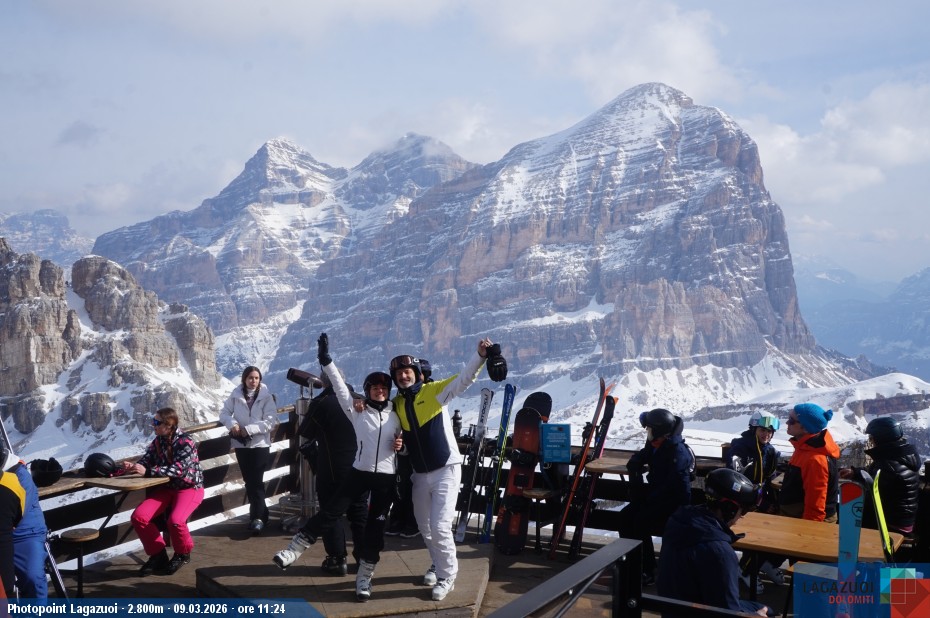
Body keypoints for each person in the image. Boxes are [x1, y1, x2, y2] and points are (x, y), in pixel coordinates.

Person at [274, 333, 403, 602]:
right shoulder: (356, 407)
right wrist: (326, 359)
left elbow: (305, 434)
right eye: (374, 387)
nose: (379, 391)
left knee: (357, 524)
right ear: (366, 389)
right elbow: (342, 391)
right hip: (357, 472)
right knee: (344, 515)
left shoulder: (395, 412)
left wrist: (403, 444)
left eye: (384, 387)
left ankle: (347, 566)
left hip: (357, 474)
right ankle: (296, 550)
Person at [390, 339, 492, 602]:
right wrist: (401, 447)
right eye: (399, 374)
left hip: (446, 468)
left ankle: (448, 577)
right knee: (424, 526)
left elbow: (463, 380)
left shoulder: (434, 392)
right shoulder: (397, 404)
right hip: (419, 474)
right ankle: (438, 563)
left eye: (407, 372)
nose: (403, 376)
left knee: (440, 526)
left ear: (418, 374)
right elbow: (398, 436)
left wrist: (480, 356)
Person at [657, 467, 769, 617]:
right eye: (743, 510)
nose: (741, 517)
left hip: (675, 609)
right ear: (729, 508)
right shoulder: (719, 552)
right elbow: (727, 612)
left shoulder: (678, 523)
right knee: (766, 610)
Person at [297, 369, 367, 575]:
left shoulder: (322, 403)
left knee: (331, 513)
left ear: (324, 383)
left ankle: (337, 560)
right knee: (359, 514)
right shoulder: (361, 400)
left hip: (331, 468)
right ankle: (364, 559)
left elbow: (305, 432)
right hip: (361, 467)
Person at [123, 407, 205, 576]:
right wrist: (134, 467)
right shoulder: (158, 441)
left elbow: (179, 469)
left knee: (176, 521)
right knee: (139, 517)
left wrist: (148, 472)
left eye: (156, 422)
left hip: (189, 487)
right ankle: (158, 555)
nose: (153, 425)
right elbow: (147, 459)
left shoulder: (185, 441)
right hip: (168, 488)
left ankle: (182, 554)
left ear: (169, 425)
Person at [620, 408, 694, 586]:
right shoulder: (656, 444)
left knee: (640, 521)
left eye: (650, 429)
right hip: (655, 498)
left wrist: (683, 513)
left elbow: (682, 488)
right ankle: (632, 562)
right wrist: (636, 461)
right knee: (625, 516)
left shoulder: (677, 453)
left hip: (671, 504)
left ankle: (647, 569)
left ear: (660, 432)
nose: (648, 432)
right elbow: (645, 454)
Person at [219, 365, 279, 534]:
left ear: (260, 380)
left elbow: (270, 421)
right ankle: (262, 516)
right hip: (242, 445)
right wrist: (233, 424)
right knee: (250, 481)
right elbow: (224, 414)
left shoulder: (266, 397)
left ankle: (256, 518)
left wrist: (249, 429)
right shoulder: (236, 395)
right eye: (250, 378)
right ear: (244, 379)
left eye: (256, 378)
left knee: (256, 481)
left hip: (260, 445)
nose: (253, 381)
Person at [840, 416, 920, 534]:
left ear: (881, 438)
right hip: (903, 519)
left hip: (891, 524)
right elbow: (876, 473)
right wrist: (855, 472)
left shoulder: (889, 465)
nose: (871, 441)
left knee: (846, 517)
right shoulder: (899, 457)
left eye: (871, 438)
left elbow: (872, 493)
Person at [385, 359, 432, 539]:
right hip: (404, 448)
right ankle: (399, 519)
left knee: (414, 488)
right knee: (401, 484)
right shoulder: (402, 396)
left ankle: (412, 522)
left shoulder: (429, 394)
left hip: (421, 452)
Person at [1, 438, 49, 599]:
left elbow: (15, 515)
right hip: (6, 533)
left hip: (25, 534)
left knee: (32, 577)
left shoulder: (19, 474)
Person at [780, 402, 839, 523]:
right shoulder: (804, 448)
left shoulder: (815, 459)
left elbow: (816, 506)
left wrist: (809, 531)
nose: (787, 423)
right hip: (795, 516)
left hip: (804, 521)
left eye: (791, 420)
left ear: (806, 428)